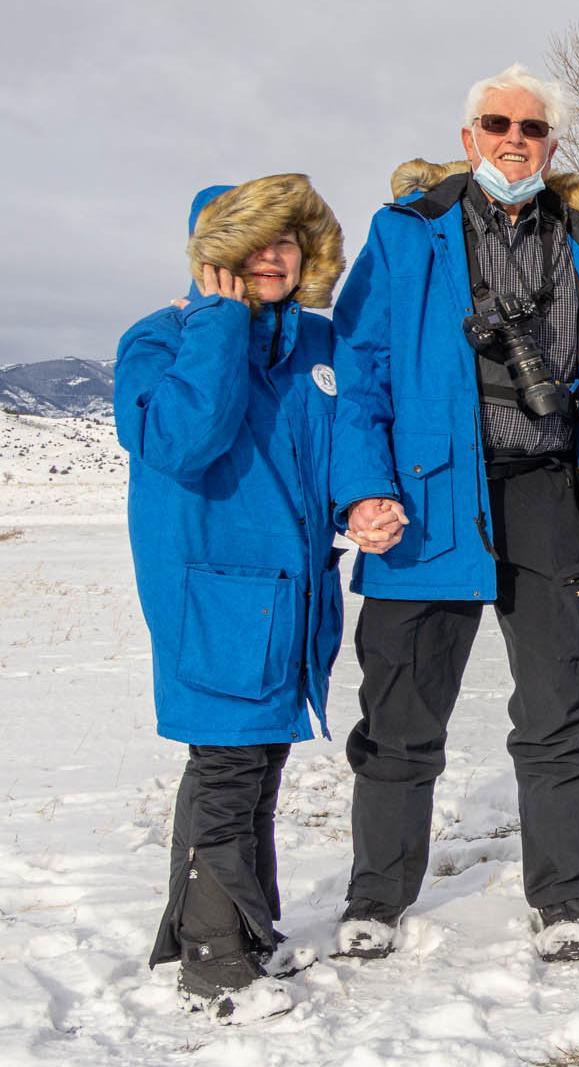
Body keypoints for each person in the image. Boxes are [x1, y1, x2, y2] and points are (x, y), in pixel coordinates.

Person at [329, 64, 579, 963]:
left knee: (558, 706)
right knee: (401, 708)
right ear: (467, 136)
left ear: (552, 145)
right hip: (429, 495)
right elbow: (359, 373)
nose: (514, 138)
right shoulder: (406, 237)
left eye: (532, 126)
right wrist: (365, 489)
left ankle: (565, 897)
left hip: (550, 491)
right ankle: (375, 896)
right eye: (496, 122)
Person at [116, 174, 347, 1021]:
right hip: (214, 593)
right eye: (251, 244)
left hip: (294, 596)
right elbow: (182, 441)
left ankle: (241, 928)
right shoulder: (162, 338)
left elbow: (342, 451)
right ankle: (214, 960)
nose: (272, 256)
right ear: (212, 255)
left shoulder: (318, 347)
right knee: (225, 767)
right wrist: (216, 325)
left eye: (285, 240)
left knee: (254, 768)